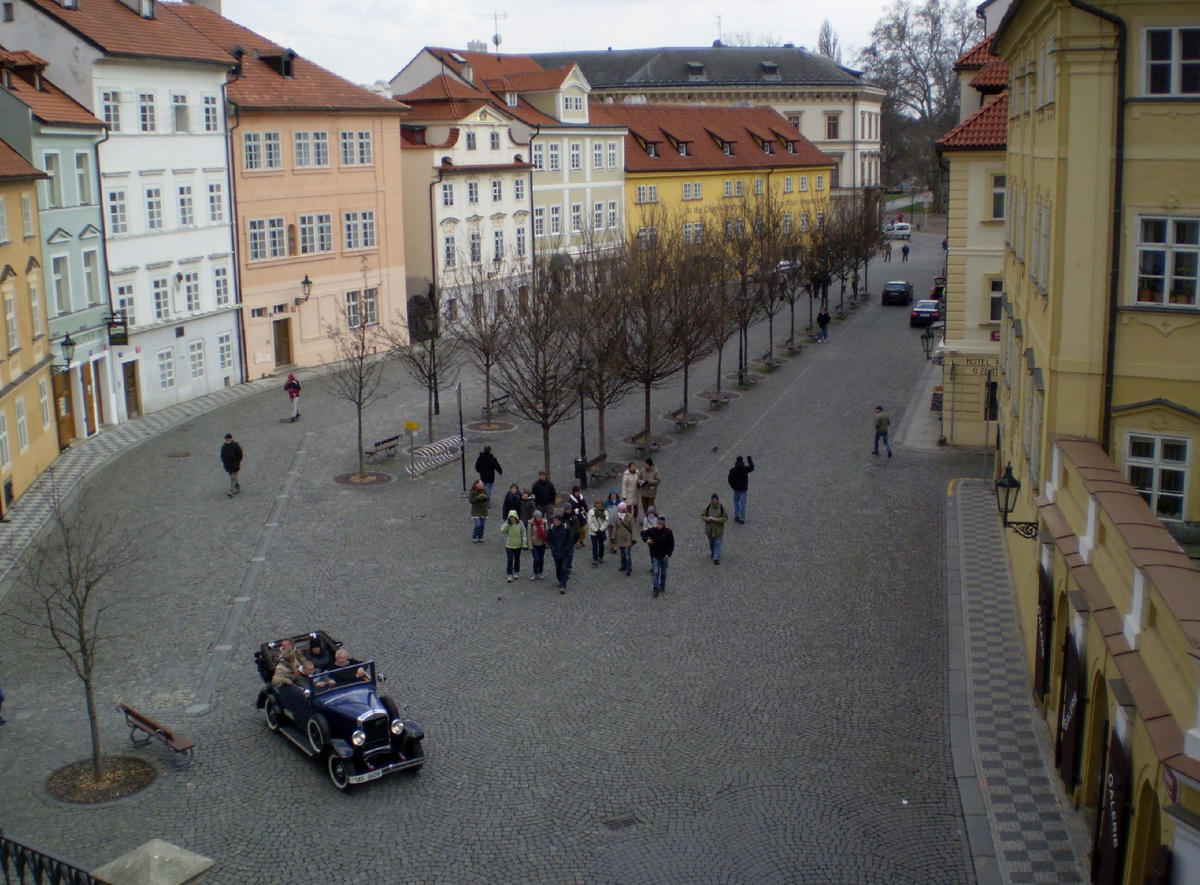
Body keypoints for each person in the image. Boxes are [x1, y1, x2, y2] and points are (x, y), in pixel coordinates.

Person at [641, 515, 675, 598]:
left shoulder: (668, 532)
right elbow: (643, 533)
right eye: (658, 524)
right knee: (656, 572)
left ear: (663, 524)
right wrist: (647, 540)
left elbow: (671, 544)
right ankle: (655, 588)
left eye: (660, 524)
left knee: (663, 573)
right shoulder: (653, 531)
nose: (658, 525)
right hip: (655, 555)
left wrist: (668, 554)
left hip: (664, 556)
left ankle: (662, 585)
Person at [547, 513, 574, 594]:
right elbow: (549, 539)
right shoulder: (551, 529)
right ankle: (560, 580)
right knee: (558, 568)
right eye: (554, 520)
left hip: (565, 552)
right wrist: (552, 548)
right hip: (556, 552)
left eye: (557, 520)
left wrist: (567, 548)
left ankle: (563, 585)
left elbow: (570, 538)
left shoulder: (566, 528)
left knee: (564, 568)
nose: (555, 522)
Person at [726, 455, 755, 524]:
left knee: (736, 501)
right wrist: (749, 459)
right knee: (743, 503)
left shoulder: (733, 470)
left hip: (736, 489)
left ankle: (737, 515)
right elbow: (752, 467)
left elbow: (730, 479)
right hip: (743, 489)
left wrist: (733, 486)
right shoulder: (745, 469)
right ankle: (742, 518)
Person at [500, 510, 527, 582]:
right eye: (511, 517)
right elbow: (502, 530)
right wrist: (507, 524)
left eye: (513, 517)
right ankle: (509, 573)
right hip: (509, 545)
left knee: (517, 559)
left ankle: (516, 571)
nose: (512, 518)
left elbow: (524, 532)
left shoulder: (520, 523)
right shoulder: (507, 524)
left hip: (518, 545)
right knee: (510, 559)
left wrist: (524, 543)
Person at [611, 501, 636, 576]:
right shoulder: (618, 517)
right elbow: (615, 527)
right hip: (620, 537)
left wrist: (634, 538)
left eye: (620, 509)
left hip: (628, 537)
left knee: (627, 553)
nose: (619, 510)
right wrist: (613, 537)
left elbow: (633, 528)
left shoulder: (630, 517)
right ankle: (623, 565)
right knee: (622, 553)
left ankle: (628, 568)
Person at [702, 494, 728, 565]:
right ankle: (713, 552)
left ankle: (716, 558)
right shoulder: (708, 508)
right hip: (710, 530)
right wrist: (707, 519)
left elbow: (725, 518)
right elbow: (703, 516)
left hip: (718, 530)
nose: (715, 501)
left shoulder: (721, 508)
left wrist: (718, 520)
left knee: (718, 543)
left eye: (716, 500)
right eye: (713, 500)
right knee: (712, 543)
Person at [587, 498, 610, 566]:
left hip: (601, 531)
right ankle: (595, 559)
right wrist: (595, 530)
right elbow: (590, 522)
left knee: (601, 545)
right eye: (597, 503)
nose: (598, 505)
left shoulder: (605, 511)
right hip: (593, 532)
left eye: (599, 503)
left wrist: (601, 529)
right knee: (594, 546)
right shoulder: (591, 512)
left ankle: (600, 556)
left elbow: (606, 521)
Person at [528, 510, 549, 580]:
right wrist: (530, 545)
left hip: (542, 543)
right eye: (537, 517)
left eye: (540, 517)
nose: (539, 518)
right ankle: (535, 572)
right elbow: (529, 535)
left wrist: (547, 542)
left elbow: (547, 533)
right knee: (536, 558)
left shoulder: (544, 523)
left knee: (541, 558)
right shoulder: (531, 524)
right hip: (534, 544)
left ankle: (540, 572)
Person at [220, 433, 242, 497]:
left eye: (228, 438)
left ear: (231, 438)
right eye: (226, 439)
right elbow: (222, 455)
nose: (227, 440)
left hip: (234, 464)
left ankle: (231, 491)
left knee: (233, 477)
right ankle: (237, 487)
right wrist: (224, 462)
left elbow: (240, 454)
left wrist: (237, 461)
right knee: (233, 477)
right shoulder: (224, 446)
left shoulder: (235, 445)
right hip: (228, 465)